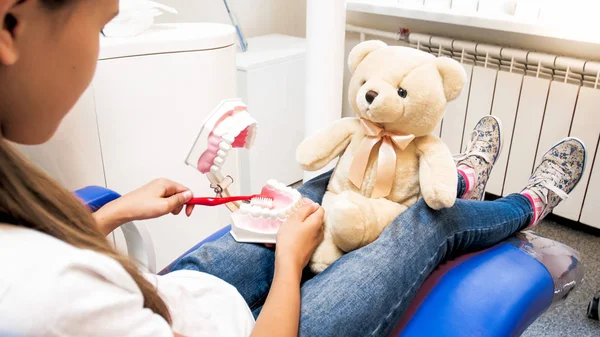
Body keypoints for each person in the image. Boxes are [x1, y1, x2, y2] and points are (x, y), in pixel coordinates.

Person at [0, 0, 586, 336]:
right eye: (101, 24)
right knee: (429, 221)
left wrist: (118, 211)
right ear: (12, 23)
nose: (99, 45)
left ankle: (458, 177)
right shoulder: (40, 302)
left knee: (315, 188)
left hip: (174, 294)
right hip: (260, 325)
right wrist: (288, 263)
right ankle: (523, 206)